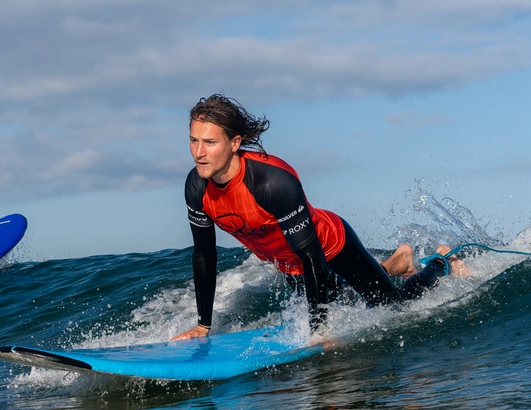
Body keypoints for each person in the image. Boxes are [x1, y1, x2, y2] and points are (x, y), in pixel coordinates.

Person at [173, 94, 462, 341]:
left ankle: (439, 262)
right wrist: (203, 325)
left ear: (235, 143)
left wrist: (319, 331)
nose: (199, 152)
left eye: (209, 142)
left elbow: (312, 257)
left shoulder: (272, 184)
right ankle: (398, 262)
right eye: (193, 141)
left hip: (331, 247)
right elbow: (204, 255)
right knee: (348, 305)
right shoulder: (197, 186)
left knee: (394, 310)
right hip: (292, 265)